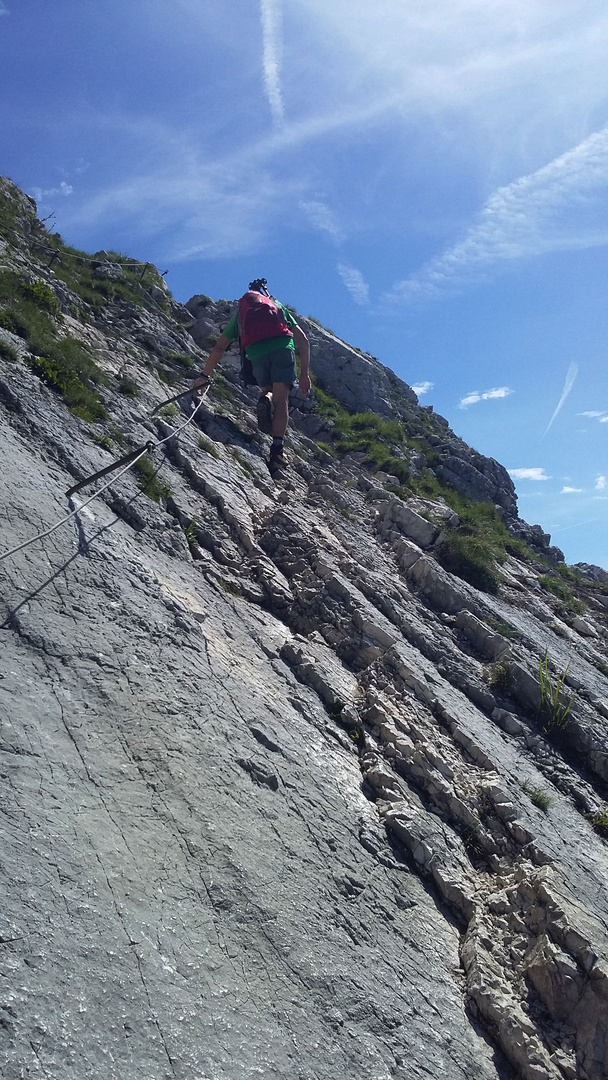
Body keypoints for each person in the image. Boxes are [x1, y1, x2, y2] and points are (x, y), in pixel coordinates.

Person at [191, 280, 310, 477]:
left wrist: (204, 376)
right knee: (282, 401)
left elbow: (219, 347)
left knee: (269, 391)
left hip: (256, 352)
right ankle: (277, 452)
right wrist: (304, 373)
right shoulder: (278, 306)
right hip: (282, 348)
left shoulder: (240, 315)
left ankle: (266, 397)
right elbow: (303, 340)